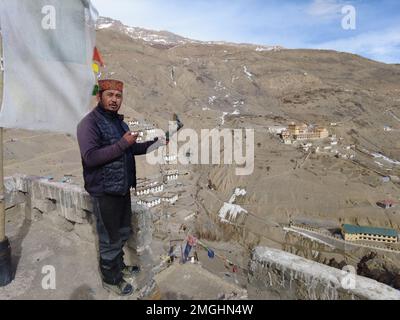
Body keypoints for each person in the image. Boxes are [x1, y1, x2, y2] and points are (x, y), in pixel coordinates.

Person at [77, 79, 162, 296]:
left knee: (122, 232)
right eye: (110, 95)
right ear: (100, 96)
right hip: (104, 192)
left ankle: (119, 266)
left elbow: (130, 150)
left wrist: (157, 143)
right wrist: (124, 143)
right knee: (109, 238)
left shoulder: (119, 123)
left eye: (118, 96)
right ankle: (110, 279)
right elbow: (91, 158)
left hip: (121, 189)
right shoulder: (89, 124)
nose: (115, 100)